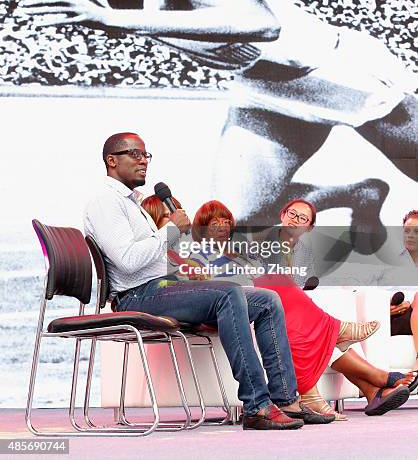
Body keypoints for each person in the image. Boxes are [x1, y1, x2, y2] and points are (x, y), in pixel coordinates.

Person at [23, 0, 417, 234]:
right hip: (264, 95)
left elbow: (263, 24)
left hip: (336, 73)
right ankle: (354, 193)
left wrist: (114, 19)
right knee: (232, 219)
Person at [84, 131, 340, 430]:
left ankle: (286, 400)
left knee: (267, 300)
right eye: (134, 154)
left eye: (146, 155)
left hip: (163, 286)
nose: (143, 161)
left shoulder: (132, 203)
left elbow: (153, 257)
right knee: (228, 294)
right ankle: (257, 405)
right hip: (137, 295)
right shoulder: (106, 202)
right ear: (111, 160)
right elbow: (127, 260)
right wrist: (170, 231)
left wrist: (189, 267)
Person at [180, 199, 417, 419]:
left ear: (309, 227)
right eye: (213, 224)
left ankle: (371, 390)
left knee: (299, 323)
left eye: (226, 223)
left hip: (263, 309)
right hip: (227, 308)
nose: (221, 228)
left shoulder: (281, 252)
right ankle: (371, 373)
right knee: (293, 313)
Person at [382, 210, 418, 372]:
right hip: (395, 318)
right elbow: (373, 296)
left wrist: (411, 302)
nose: (410, 235)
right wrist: (386, 308)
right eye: (407, 230)